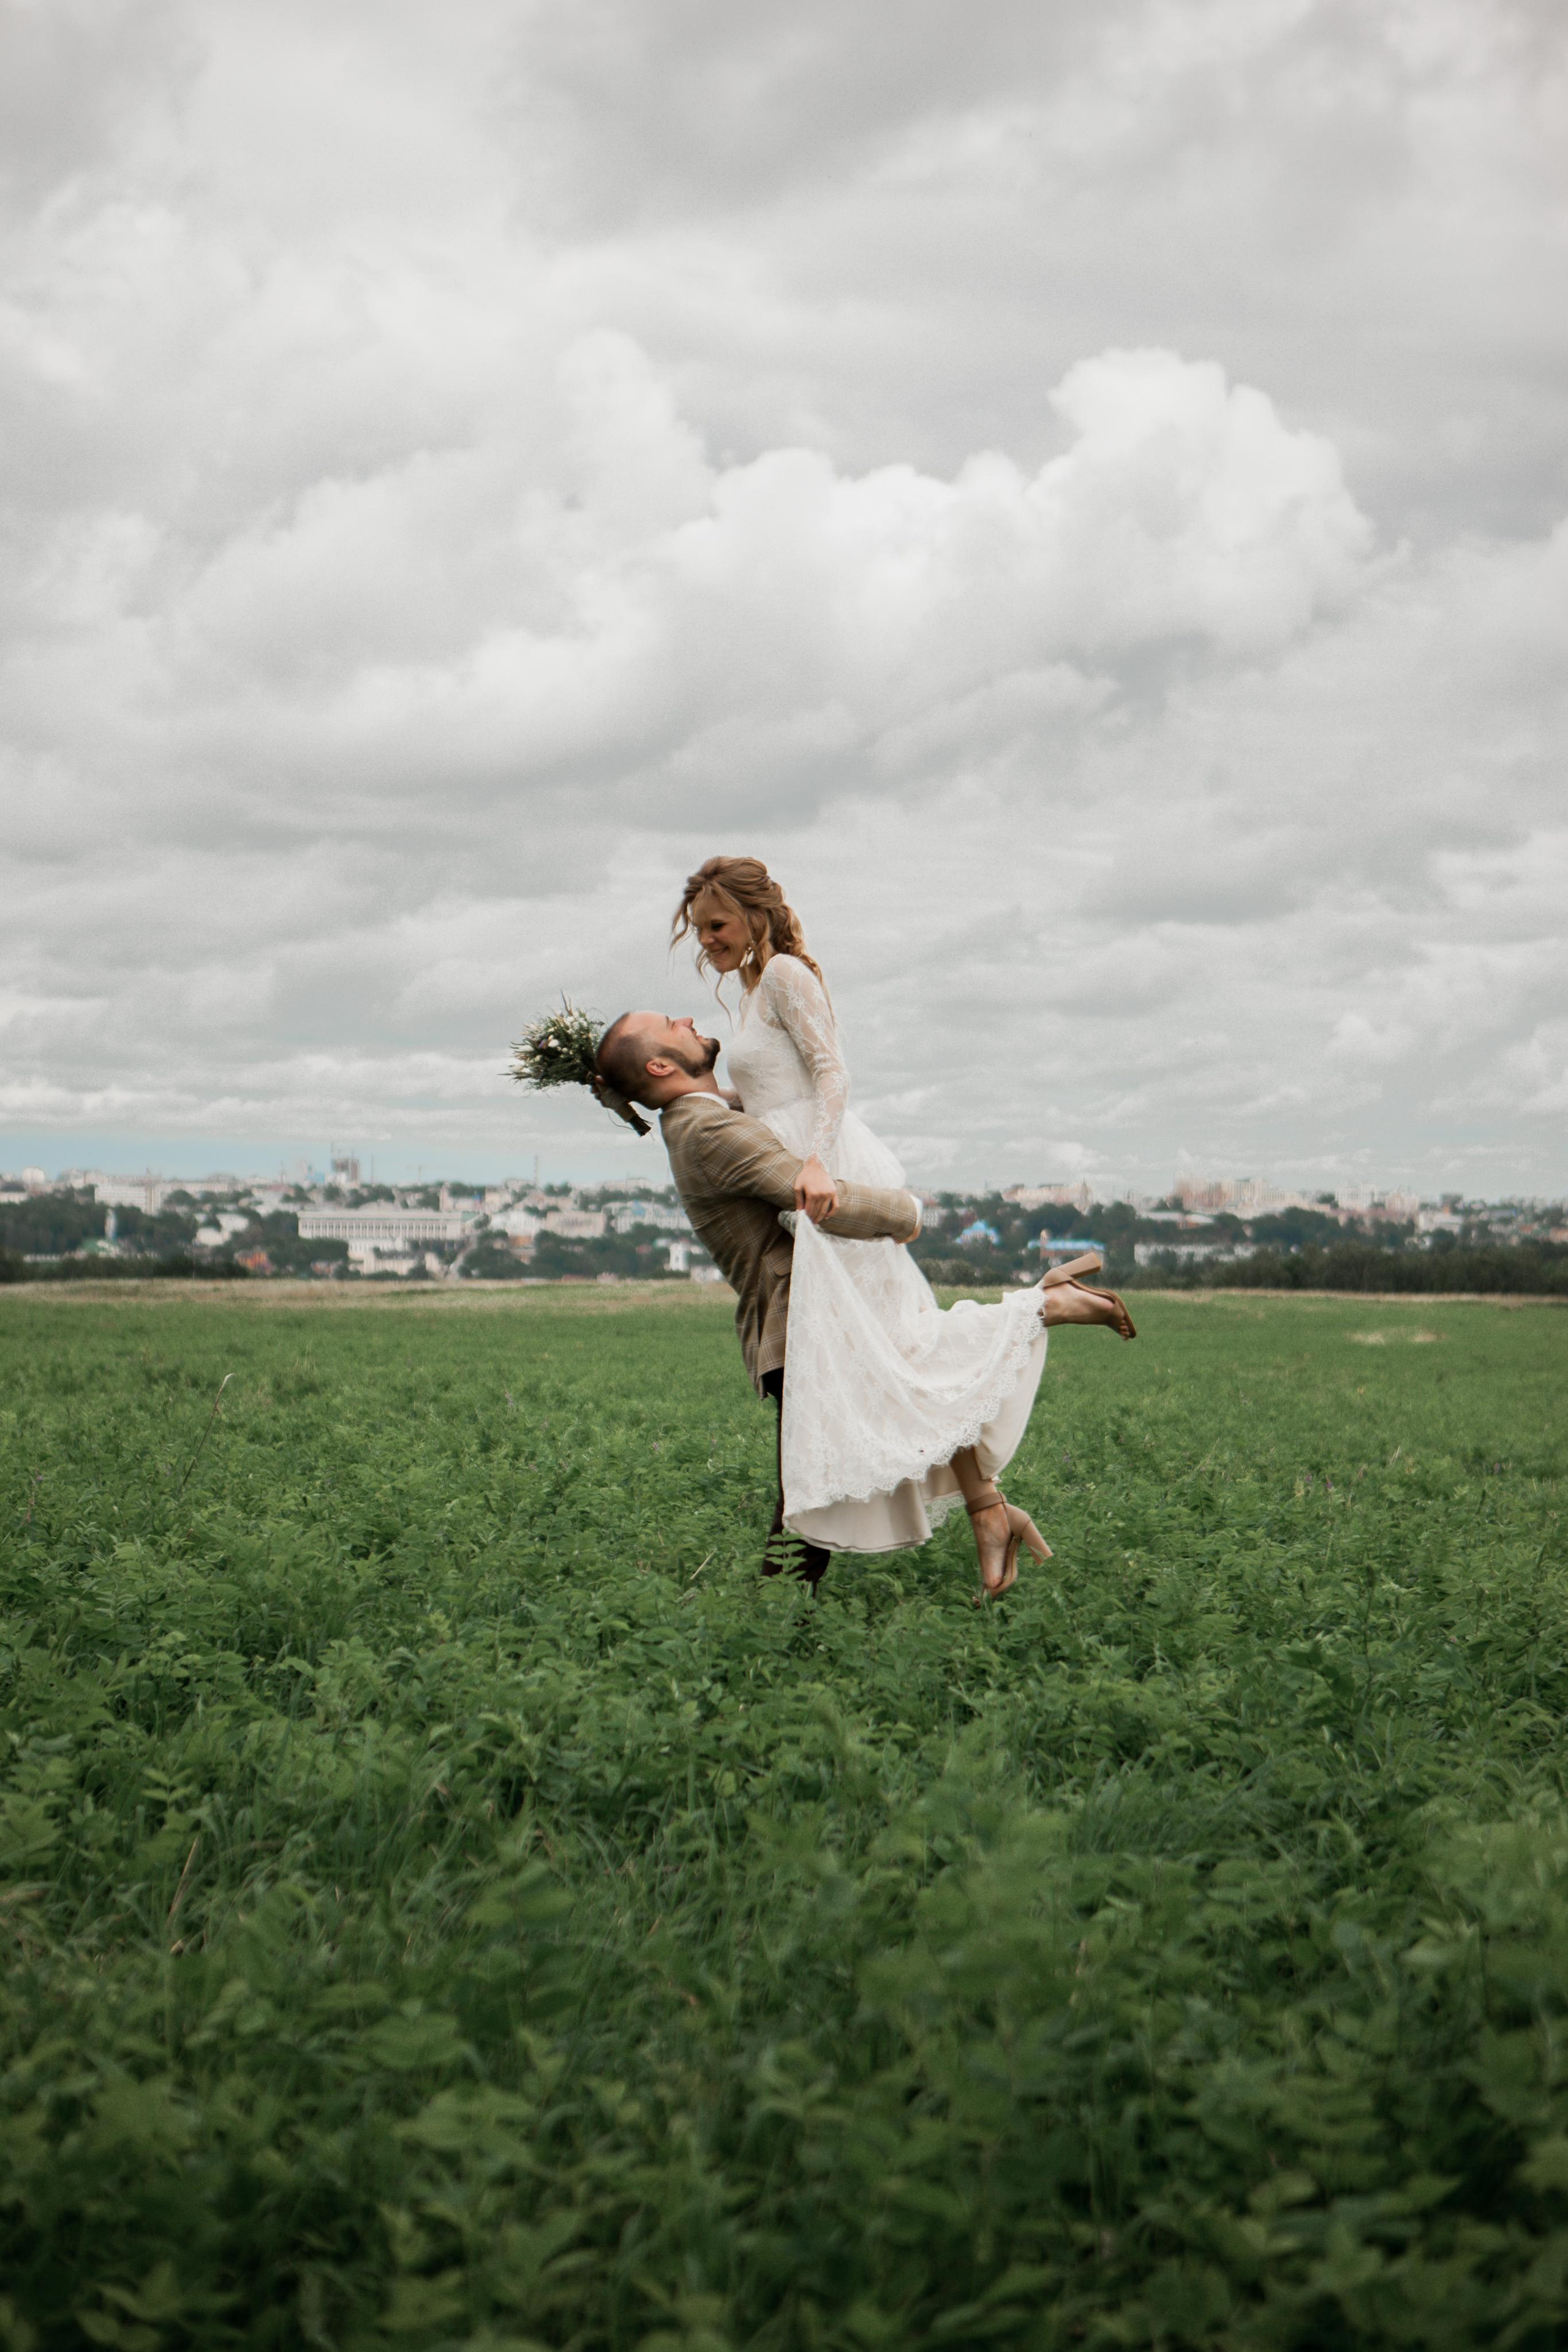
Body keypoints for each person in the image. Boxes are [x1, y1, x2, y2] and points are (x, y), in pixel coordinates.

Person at [595, 967, 1134, 1600]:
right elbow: (812, 1194)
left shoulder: (708, 1115)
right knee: (827, 1479)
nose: (687, 1019)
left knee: (880, 1430)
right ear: (660, 1066)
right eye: (670, 1025)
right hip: (802, 1321)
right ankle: (1045, 1310)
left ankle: (784, 1617)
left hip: (823, 1313)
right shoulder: (704, 1128)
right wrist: (907, 1213)